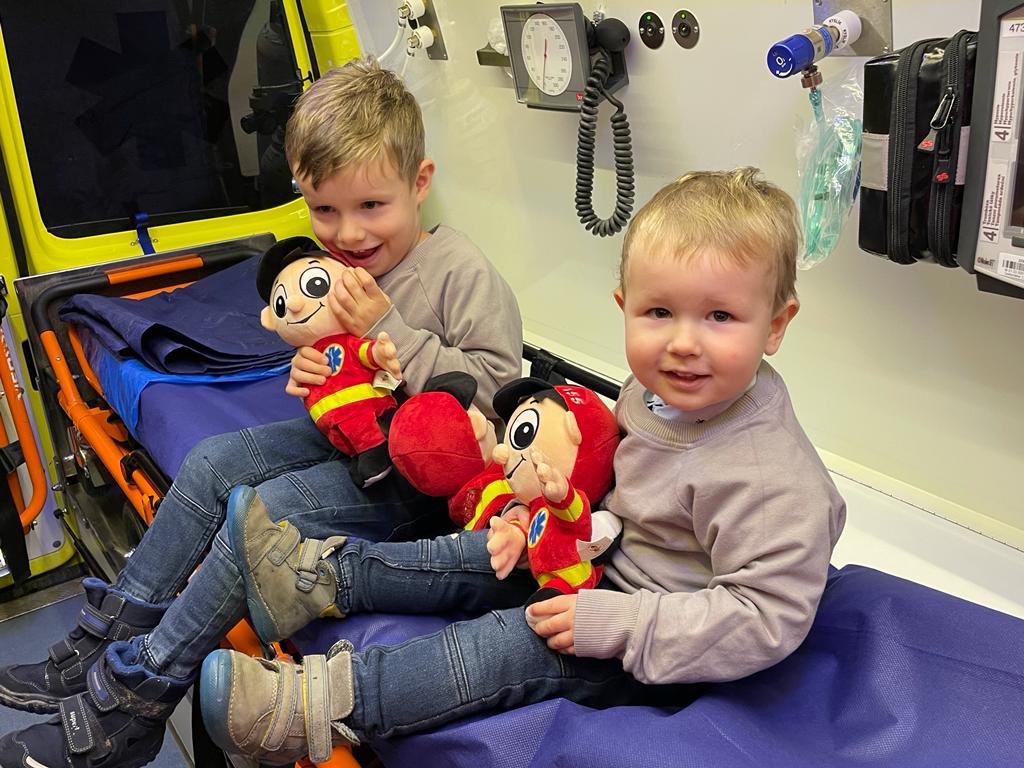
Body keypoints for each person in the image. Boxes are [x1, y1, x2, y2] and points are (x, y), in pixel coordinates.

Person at [196, 167, 849, 765]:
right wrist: (530, 507)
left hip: (647, 635)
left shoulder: (772, 479)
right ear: (624, 306)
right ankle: (316, 581)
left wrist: (620, 624)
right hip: (589, 558)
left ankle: (309, 710)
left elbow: (764, 617)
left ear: (776, 325)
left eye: (720, 316)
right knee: (472, 553)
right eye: (659, 312)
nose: (683, 342)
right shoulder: (654, 391)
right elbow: (613, 480)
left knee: (496, 648)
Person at [0, 58, 522, 768]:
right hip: (353, 446)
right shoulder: (336, 269)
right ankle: (102, 638)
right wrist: (312, 374)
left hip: (418, 484)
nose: (348, 233)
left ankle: (131, 704)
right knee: (213, 461)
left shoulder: (460, 272)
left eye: (372, 206)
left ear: (420, 182)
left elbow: (495, 401)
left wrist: (387, 329)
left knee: (262, 516)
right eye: (323, 211)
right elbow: (345, 373)